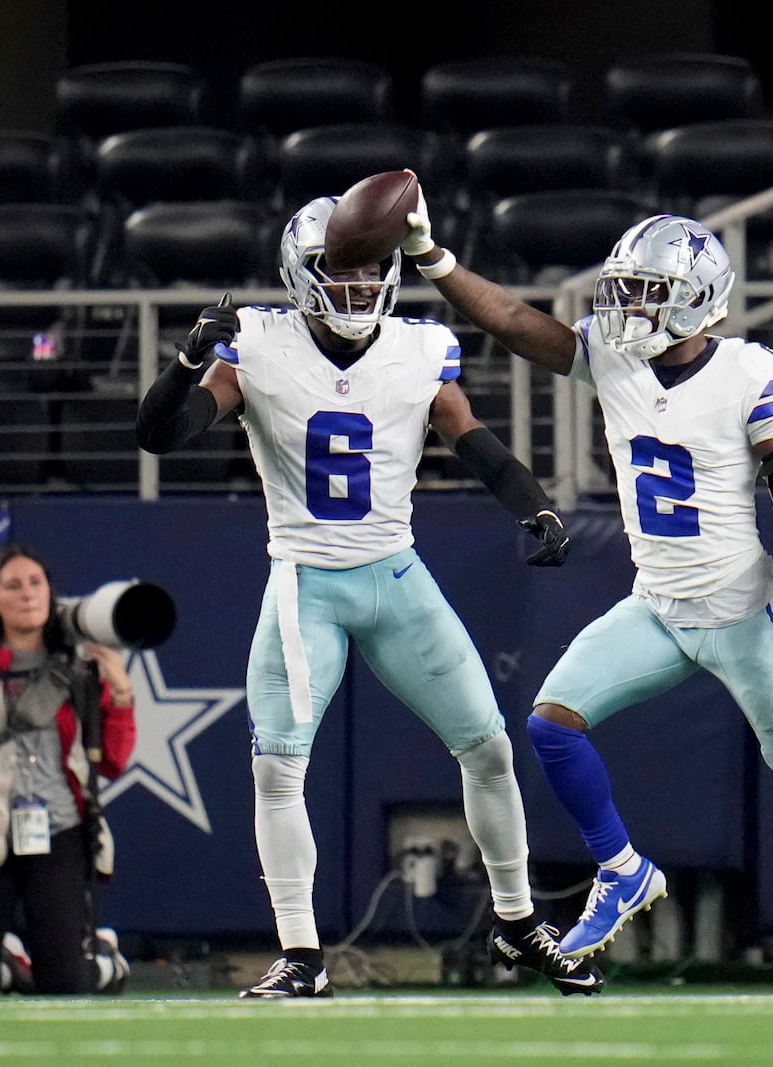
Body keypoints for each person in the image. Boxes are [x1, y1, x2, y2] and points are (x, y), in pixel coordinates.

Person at [401, 206, 773, 994]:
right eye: (626, 290)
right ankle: (623, 869)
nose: (628, 309)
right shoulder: (615, 357)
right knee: (551, 725)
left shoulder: (748, 373)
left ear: (697, 300)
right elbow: (518, 321)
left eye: (649, 293)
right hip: (655, 605)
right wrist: (432, 255)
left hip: (739, 612)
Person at [134, 195, 602, 999]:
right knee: (279, 770)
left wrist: (535, 502)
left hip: (394, 572)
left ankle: (520, 925)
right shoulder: (259, 343)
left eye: (366, 271)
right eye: (337, 272)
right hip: (305, 581)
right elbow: (161, 436)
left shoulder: (420, 348)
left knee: (487, 748)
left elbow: (471, 438)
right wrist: (183, 366)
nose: (355, 287)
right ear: (300, 276)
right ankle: (302, 954)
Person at [0, 544, 133, 994]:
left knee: (66, 983)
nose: (27, 595)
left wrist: (122, 693)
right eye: (12, 586)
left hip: (59, 828)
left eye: (36, 583)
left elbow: (112, 760)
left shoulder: (77, 668)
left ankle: (104, 963)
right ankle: (10, 963)